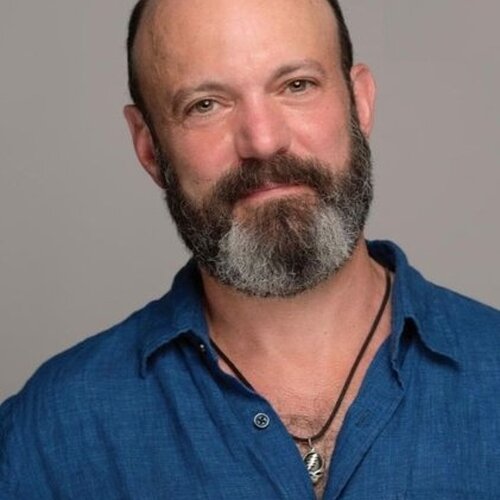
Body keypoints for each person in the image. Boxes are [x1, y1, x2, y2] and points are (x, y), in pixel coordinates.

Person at [1, 0, 499, 498]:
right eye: (206, 105)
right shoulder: (47, 435)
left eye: (297, 85)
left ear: (359, 102)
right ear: (149, 146)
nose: (262, 141)